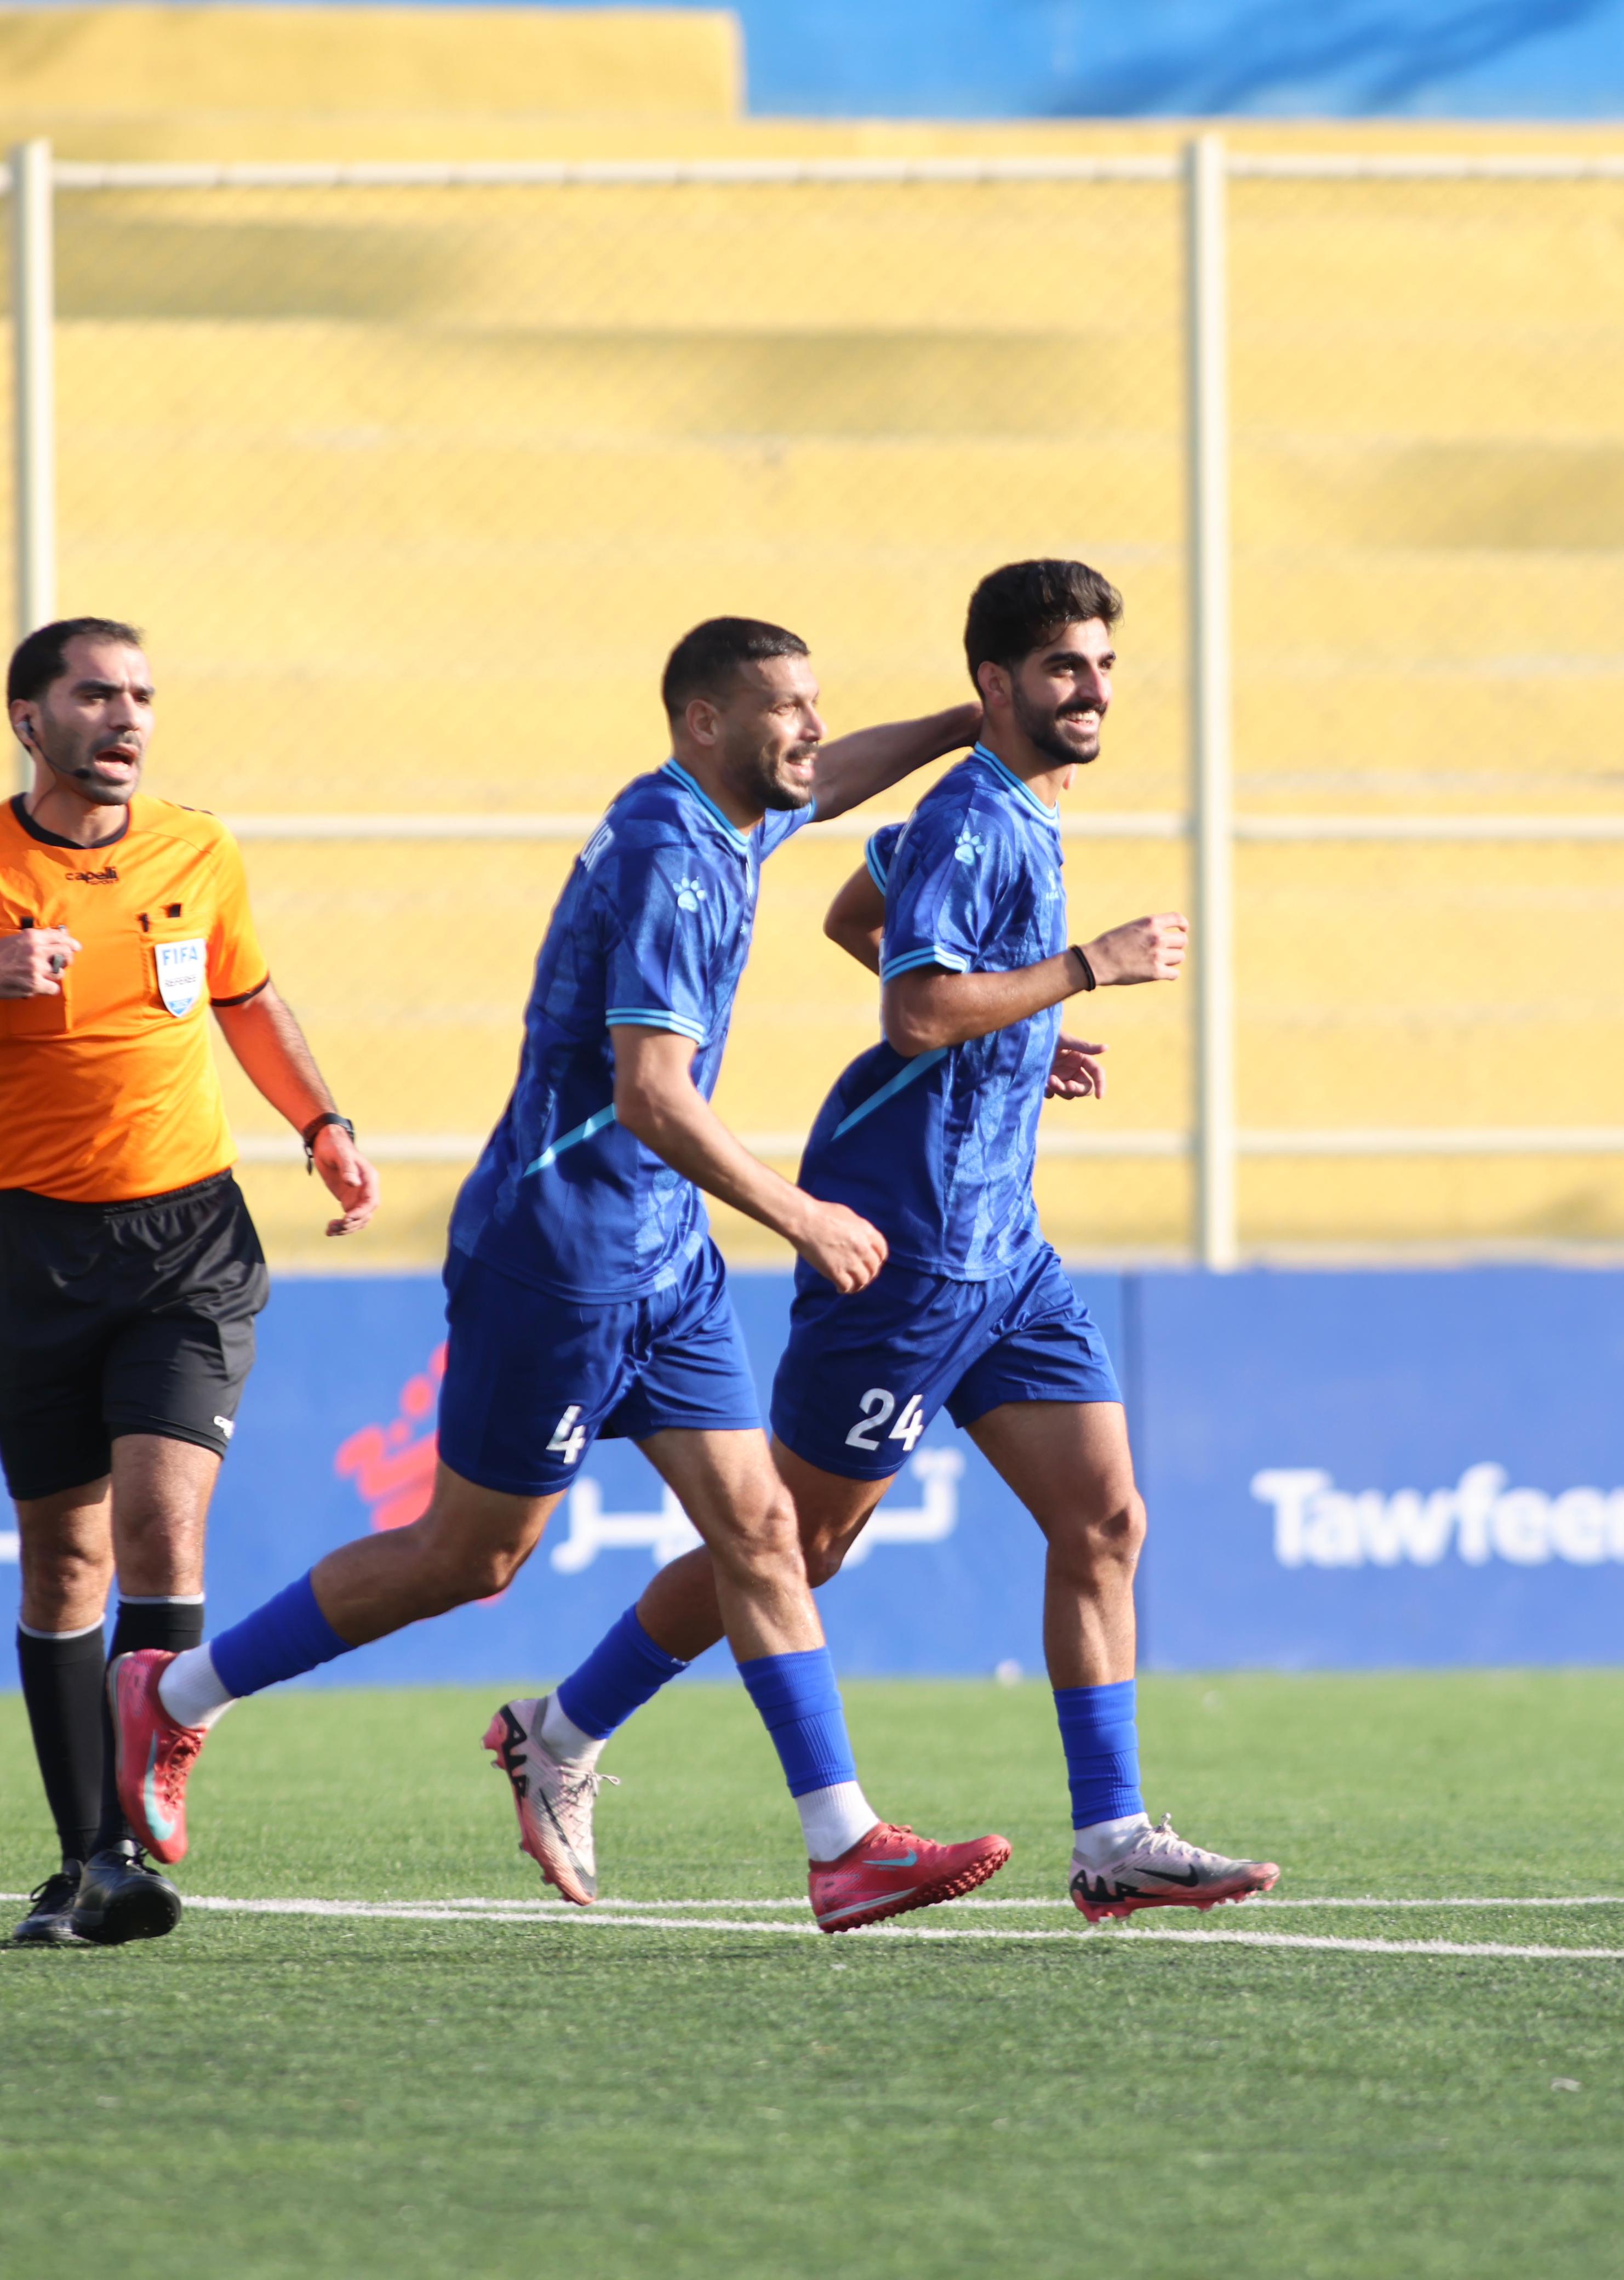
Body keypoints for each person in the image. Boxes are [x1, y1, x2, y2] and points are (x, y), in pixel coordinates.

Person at [110, 616, 1011, 1934]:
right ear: (705, 722)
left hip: (665, 1261)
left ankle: (844, 1843)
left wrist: (952, 726)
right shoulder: (666, 857)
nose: (812, 728)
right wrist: (799, 1213)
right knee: (471, 1559)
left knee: (767, 1532)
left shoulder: (726, 815)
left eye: (817, 703)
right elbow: (651, 1095)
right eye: (787, 708)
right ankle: (174, 1696)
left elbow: (828, 781)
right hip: (561, 1256)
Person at [505, 561, 1280, 1922]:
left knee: (1104, 1518)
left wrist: (1025, 1020)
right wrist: (1077, 971)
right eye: (1062, 670)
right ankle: (558, 1731)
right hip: (904, 1238)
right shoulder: (979, 816)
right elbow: (918, 1012)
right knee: (794, 1550)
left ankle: (1111, 1839)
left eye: (1102, 666)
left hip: (1006, 1249)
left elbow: (854, 917)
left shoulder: (1022, 806)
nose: (1092, 691)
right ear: (997, 684)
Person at [3, 615, 379, 1948]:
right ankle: (87, 1860)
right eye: (94, 695)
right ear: (27, 721)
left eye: (142, 695)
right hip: (26, 1251)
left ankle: (147, 1794)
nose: (126, 717)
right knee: (64, 1556)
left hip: (186, 1245)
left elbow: (247, 997)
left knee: (163, 1524)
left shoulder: (197, 848)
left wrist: (322, 1124)